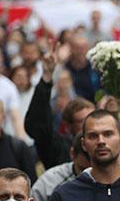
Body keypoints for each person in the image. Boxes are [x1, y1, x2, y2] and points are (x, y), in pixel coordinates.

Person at [24, 40, 96, 169]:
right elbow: (37, 126)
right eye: (82, 121)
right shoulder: (57, 148)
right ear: (68, 126)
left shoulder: (102, 147)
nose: (90, 126)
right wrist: (46, 77)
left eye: (92, 119)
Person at [28, 134, 90, 201]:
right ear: (72, 154)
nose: (88, 176)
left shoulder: (113, 180)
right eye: (83, 169)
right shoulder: (49, 182)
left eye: (94, 170)